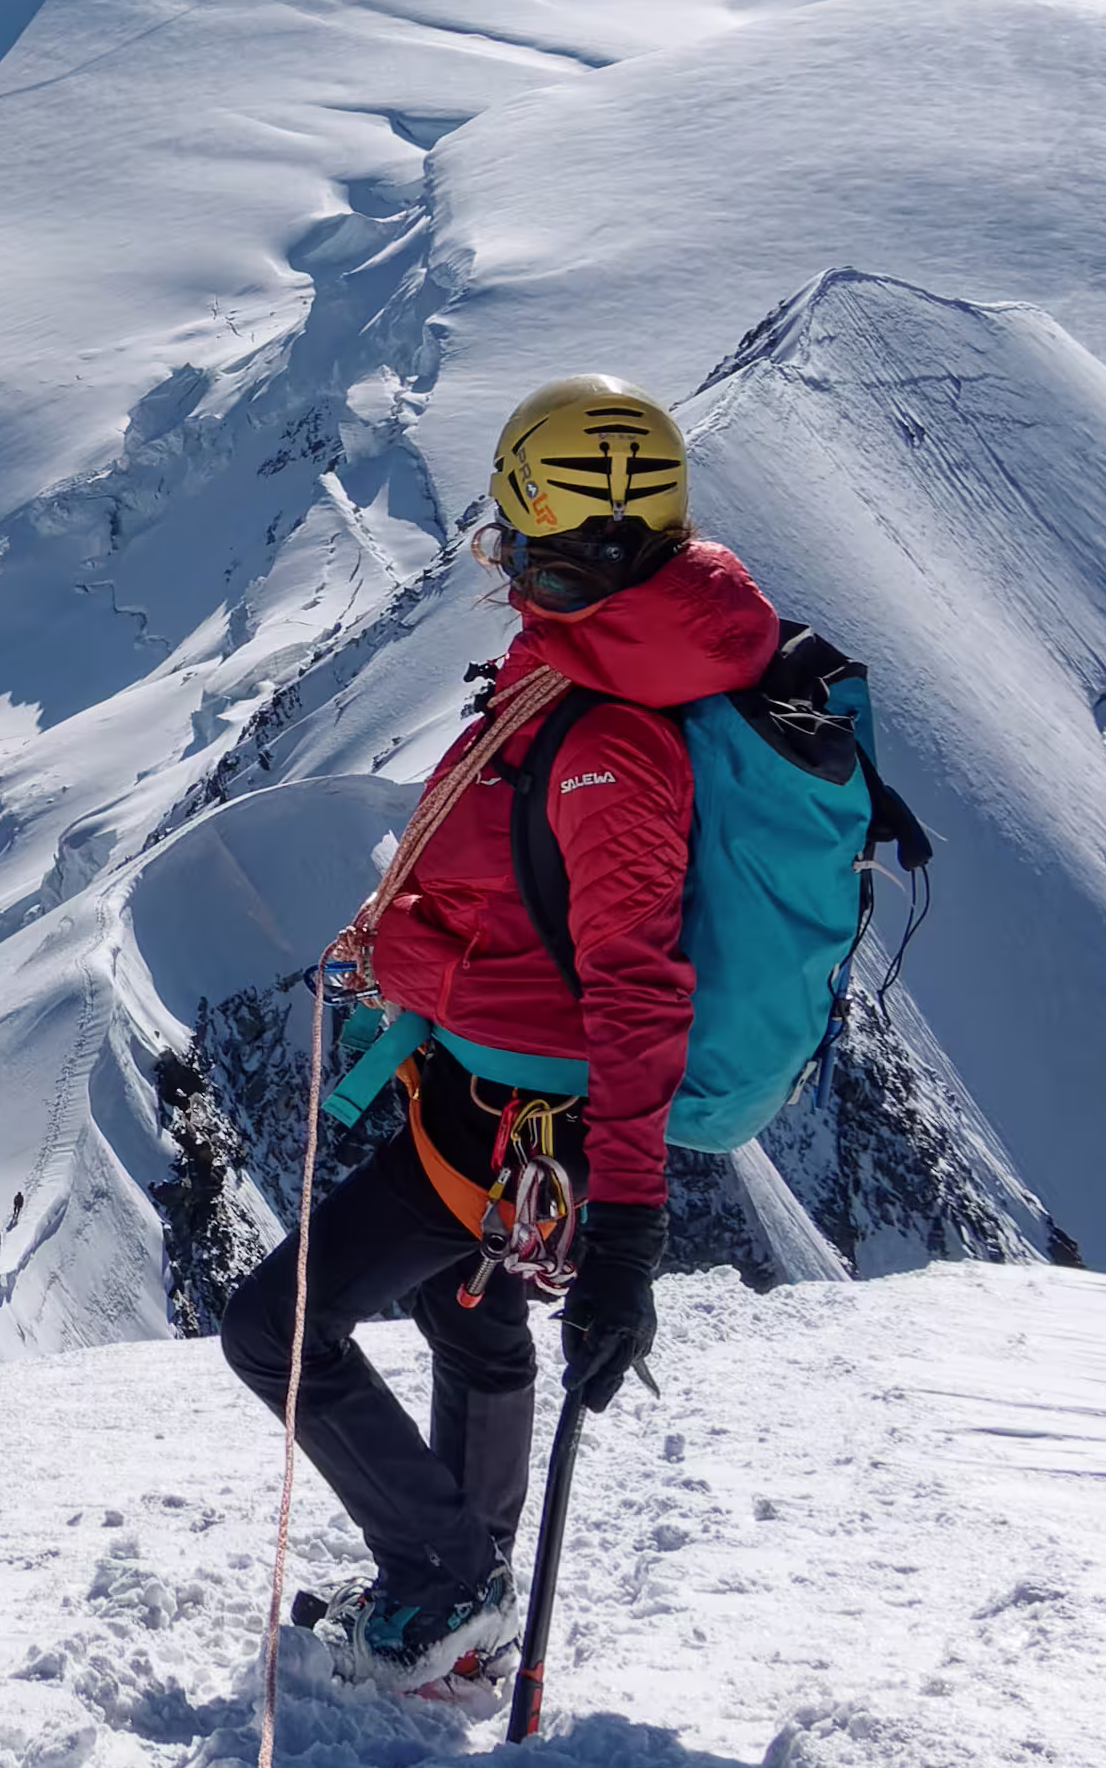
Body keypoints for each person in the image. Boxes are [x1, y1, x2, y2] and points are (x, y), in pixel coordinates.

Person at [218, 371, 768, 1687]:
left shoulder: (607, 739)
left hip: (515, 1123)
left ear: (546, 537)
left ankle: (444, 1575)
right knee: (469, 1318)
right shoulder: (598, 659)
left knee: (275, 1328)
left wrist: (630, 1239)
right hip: (491, 1094)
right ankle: (465, 1589)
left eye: (514, 540)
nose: (502, 564)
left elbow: (637, 995)